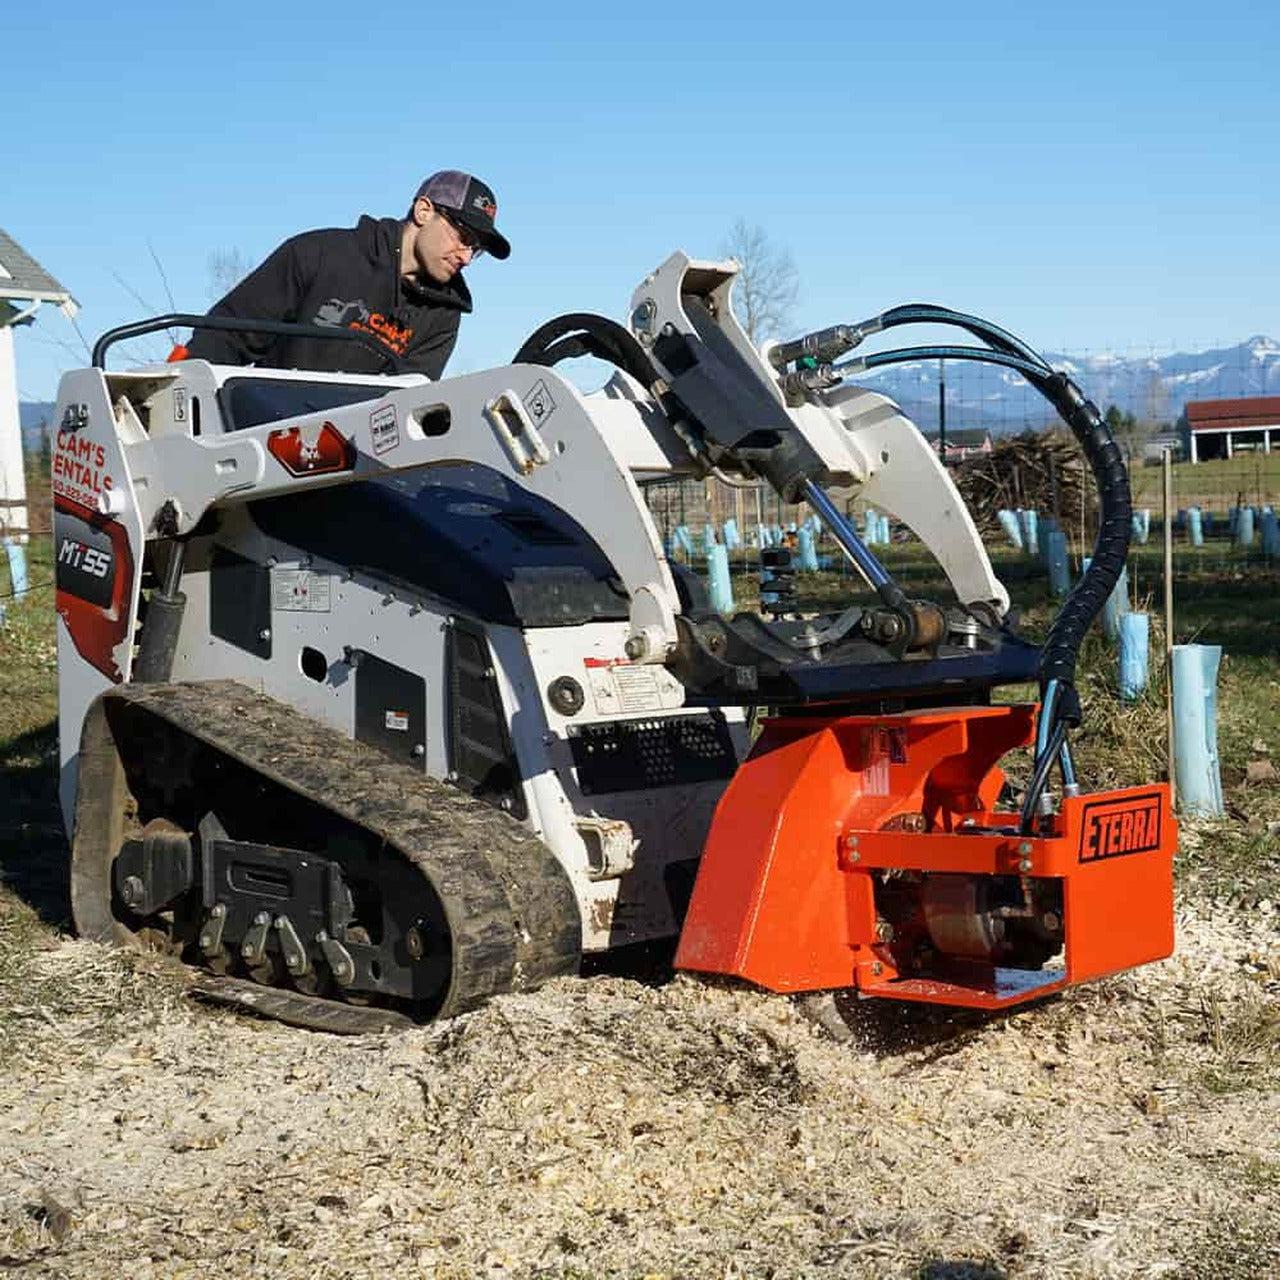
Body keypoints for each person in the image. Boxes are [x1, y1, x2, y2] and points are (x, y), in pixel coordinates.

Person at [186, 171, 510, 379]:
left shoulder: (444, 314)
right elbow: (223, 339)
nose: (466, 257)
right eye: (463, 238)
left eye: (476, 249)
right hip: (266, 437)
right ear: (424, 211)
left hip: (357, 460)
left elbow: (410, 402)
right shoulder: (320, 254)